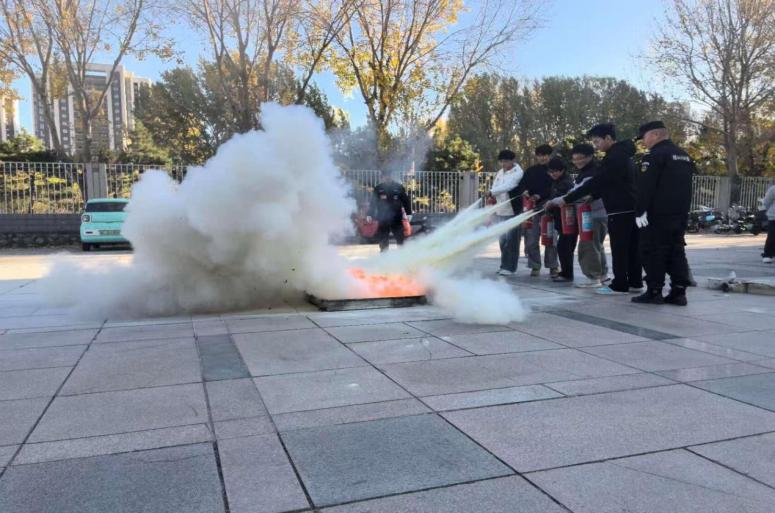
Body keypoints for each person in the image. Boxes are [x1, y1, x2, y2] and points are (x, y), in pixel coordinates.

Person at [548, 123, 643, 295]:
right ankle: (635, 282)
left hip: (619, 209)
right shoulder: (623, 156)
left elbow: (597, 181)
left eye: (597, 141)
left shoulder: (614, 158)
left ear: (608, 138)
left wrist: (567, 199)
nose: (596, 145)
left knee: (620, 248)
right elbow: (609, 182)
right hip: (630, 207)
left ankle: (620, 284)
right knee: (631, 247)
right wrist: (594, 195)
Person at [631, 121, 694, 305]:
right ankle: (679, 291)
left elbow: (646, 187)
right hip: (679, 213)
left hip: (657, 214)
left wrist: (640, 211)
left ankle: (654, 290)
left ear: (656, 135)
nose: (643, 142)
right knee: (676, 250)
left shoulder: (654, 156)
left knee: (652, 251)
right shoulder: (683, 155)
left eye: (644, 138)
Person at [569, 143, 609, 288]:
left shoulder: (591, 173)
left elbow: (578, 192)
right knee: (597, 245)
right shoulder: (590, 171)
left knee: (588, 245)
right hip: (598, 214)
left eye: (581, 158)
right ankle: (602, 275)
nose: (578, 162)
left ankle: (593, 278)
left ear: (590, 156)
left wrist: (561, 200)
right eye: (575, 159)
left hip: (592, 214)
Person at [519, 144, 558, 277]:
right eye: (540, 155)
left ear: (550, 155)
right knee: (531, 238)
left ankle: (553, 266)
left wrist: (540, 196)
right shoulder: (531, 171)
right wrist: (525, 191)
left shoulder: (555, 170)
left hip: (549, 207)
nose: (543, 158)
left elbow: (555, 188)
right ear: (536, 156)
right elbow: (522, 185)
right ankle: (534, 266)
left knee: (550, 237)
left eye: (545, 155)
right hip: (532, 207)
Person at [489, 149, 524, 276]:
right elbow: (495, 186)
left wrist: (492, 192)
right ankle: (504, 265)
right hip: (500, 210)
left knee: (512, 241)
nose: (503, 164)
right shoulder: (500, 172)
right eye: (502, 162)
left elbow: (509, 186)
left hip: (512, 210)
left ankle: (510, 268)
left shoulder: (518, 173)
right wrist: (491, 194)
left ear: (513, 160)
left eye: (506, 161)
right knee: (502, 240)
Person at [546, 158, 577, 282]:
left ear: (562, 170)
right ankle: (565, 272)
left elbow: (565, 199)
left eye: (555, 171)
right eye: (550, 172)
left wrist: (551, 203)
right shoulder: (557, 181)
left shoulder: (566, 183)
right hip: (560, 220)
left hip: (568, 221)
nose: (552, 174)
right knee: (563, 247)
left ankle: (567, 274)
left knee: (565, 248)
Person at [367, 170, 412, 252]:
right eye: (385, 176)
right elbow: (373, 202)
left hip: (396, 217)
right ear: (382, 177)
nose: (387, 178)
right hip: (382, 218)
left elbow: (405, 201)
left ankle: (402, 255)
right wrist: (370, 214)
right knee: (383, 239)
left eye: (388, 176)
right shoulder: (378, 188)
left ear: (391, 176)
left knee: (400, 238)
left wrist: (409, 213)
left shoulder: (398, 187)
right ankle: (384, 255)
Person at [759, 183, 775, 263]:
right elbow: (767, 201)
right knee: (772, 236)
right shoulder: (773, 189)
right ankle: (767, 255)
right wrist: (771, 211)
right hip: (774, 217)